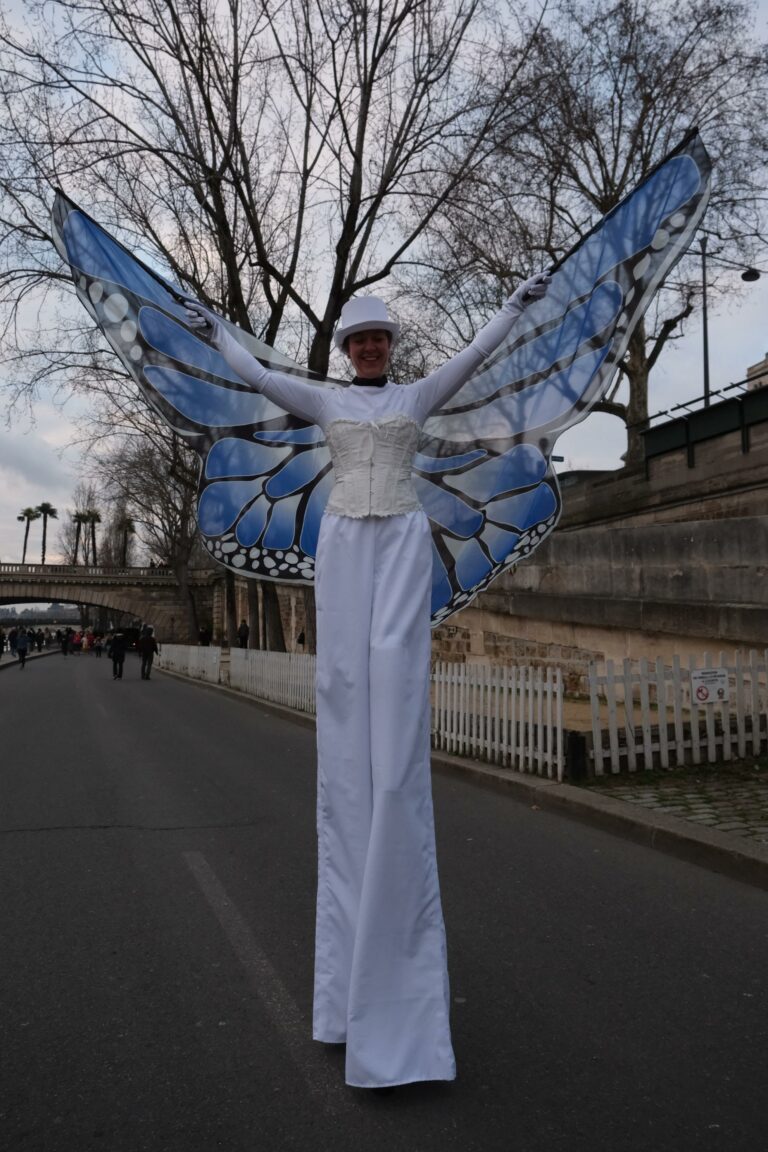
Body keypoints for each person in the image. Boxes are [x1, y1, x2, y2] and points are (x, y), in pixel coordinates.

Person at [186, 274, 550, 1090]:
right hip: (348, 543)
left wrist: (517, 306)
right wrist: (216, 331)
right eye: (360, 341)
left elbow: (477, 356)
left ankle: (398, 996)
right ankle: (349, 995)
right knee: (346, 696)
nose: (371, 348)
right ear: (348, 353)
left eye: (379, 339)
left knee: (396, 702)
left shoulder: (418, 397)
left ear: (389, 346)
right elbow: (258, 376)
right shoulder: (329, 404)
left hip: (400, 546)